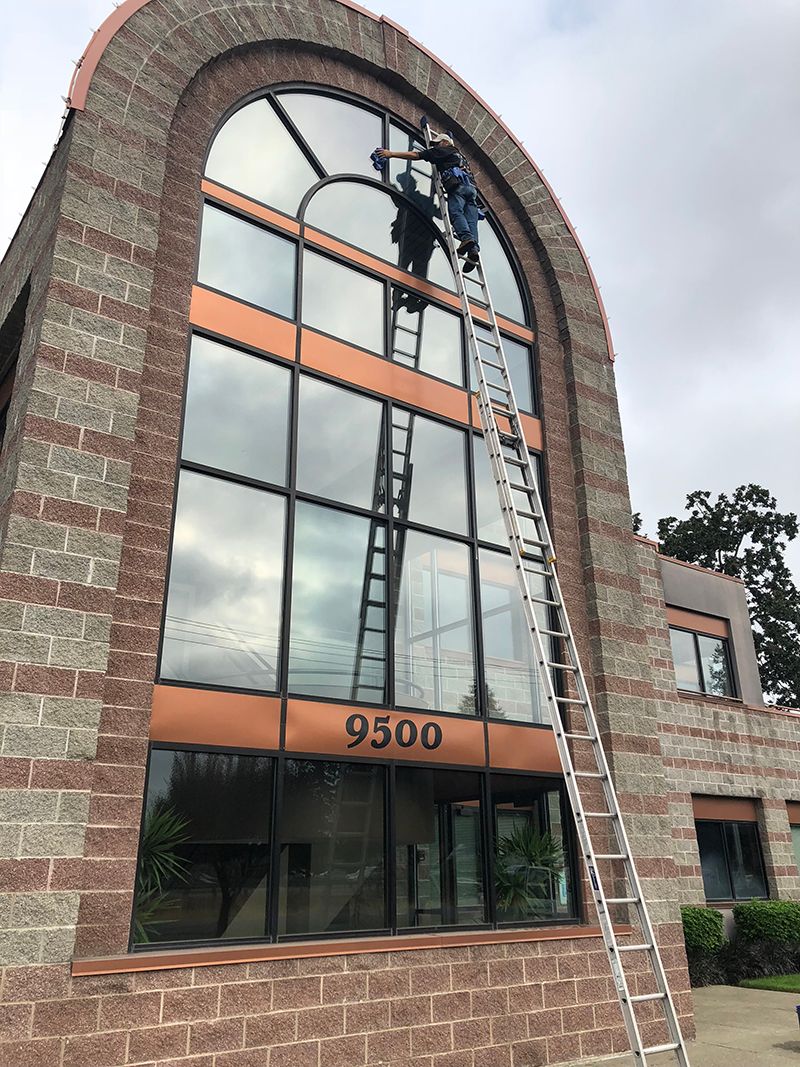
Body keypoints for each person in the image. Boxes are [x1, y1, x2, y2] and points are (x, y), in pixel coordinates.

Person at [376, 134, 482, 272]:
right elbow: (437, 213)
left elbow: (416, 155)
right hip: (471, 189)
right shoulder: (460, 156)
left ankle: (466, 239)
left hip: (458, 189)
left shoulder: (443, 150)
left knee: (456, 213)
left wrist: (391, 154)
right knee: (471, 221)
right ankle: (473, 250)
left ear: (445, 142)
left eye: (437, 143)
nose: (436, 146)